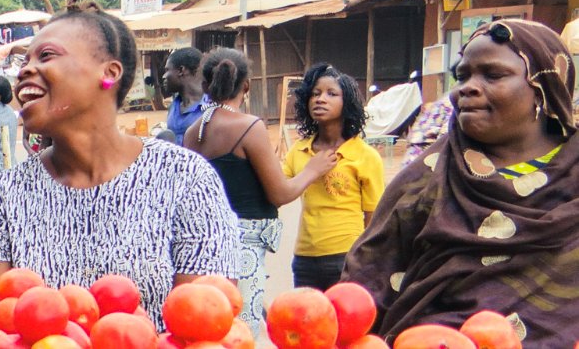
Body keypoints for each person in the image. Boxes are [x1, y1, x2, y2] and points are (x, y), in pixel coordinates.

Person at [0, 0, 239, 324]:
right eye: (25, 61)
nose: (24, 70)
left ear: (109, 74)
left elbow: (204, 328)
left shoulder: (186, 179)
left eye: (47, 55)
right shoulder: (2, 197)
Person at [344, 20, 579, 345]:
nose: (466, 88)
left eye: (492, 75)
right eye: (462, 76)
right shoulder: (429, 175)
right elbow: (367, 278)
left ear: (543, 86)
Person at [183, 48, 339, 336]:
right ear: (246, 86)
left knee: (211, 328)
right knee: (242, 331)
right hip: (243, 250)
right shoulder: (248, 127)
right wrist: (312, 170)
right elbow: (280, 194)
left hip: (205, 245)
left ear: (205, 86)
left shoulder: (194, 132)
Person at [283, 63, 384, 291]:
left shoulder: (365, 156)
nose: (320, 99)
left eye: (331, 94)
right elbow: (279, 190)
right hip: (304, 258)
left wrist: (364, 259)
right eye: (315, 94)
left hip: (346, 256)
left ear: (347, 103)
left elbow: (374, 217)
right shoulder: (298, 150)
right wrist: (311, 171)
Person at [162, 47, 208, 142]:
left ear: (181, 70)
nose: (163, 76)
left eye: (167, 70)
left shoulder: (211, 106)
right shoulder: (174, 105)